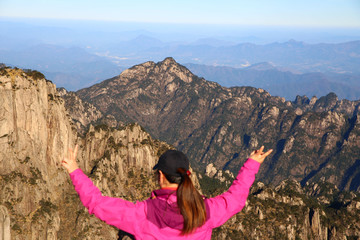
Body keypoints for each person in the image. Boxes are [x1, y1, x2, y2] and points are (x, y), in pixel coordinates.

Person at [62, 145, 272, 239]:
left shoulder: (143, 213)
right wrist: (252, 164)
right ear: (188, 175)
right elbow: (235, 199)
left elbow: (97, 204)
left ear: (161, 175)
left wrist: (74, 170)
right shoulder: (205, 211)